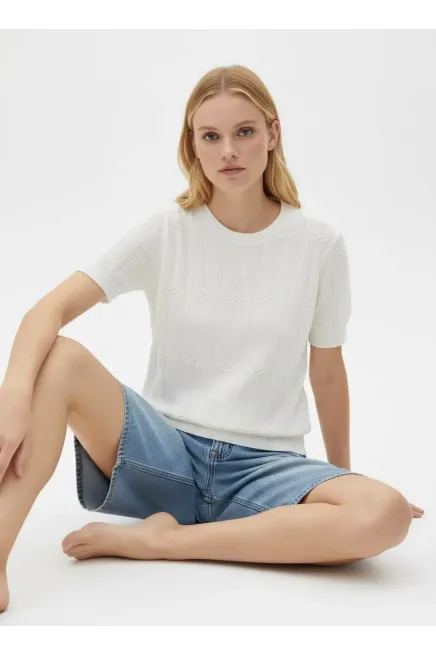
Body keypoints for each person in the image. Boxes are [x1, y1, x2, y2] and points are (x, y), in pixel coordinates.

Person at [0, 65, 423, 613]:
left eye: (245, 132)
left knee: (385, 513)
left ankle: (166, 541)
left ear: (272, 134)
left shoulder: (318, 244)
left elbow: (327, 372)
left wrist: (340, 480)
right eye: (210, 136)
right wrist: (14, 399)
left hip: (266, 470)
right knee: (58, 359)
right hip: (164, 453)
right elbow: (48, 310)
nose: (229, 151)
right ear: (192, 145)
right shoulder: (167, 230)